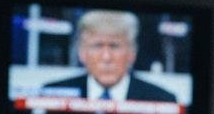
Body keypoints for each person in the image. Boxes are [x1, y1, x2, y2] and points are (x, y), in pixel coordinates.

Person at [41, 9, 176, 104]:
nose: (106, 57)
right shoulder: (52, 93)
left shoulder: (162, 99)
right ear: (82, 53)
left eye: (114, 46)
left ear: (132, 53)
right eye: (97, 46)